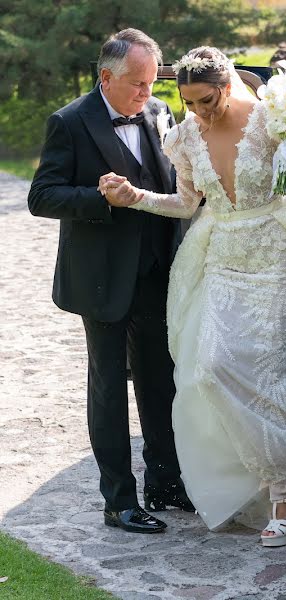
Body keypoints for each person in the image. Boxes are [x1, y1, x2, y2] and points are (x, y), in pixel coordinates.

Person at [99, 46, 286, 547]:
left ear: (226, 87)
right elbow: (186, 204)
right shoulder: (182, 137)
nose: (199, 113)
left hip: (278, 256)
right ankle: (269, 469)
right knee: (214, 366)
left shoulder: (276, 120)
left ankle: (284, 502)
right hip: (223, 257)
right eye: (189, 103)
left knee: (273, 369)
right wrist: (134, 197)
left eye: (206, 101)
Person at [28, 29, 193, 535]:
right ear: (106, 77)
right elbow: (42, 196)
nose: (148, 94)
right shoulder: (70, 122)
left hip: (155, 271)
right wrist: (102, 200)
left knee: (158, 380)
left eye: (151, 83)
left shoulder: (157, 112)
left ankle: (165, 485)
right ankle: (118, 500)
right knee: (107, 390)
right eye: (138, 84)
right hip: (99, 278)